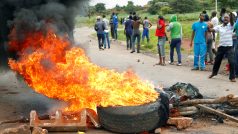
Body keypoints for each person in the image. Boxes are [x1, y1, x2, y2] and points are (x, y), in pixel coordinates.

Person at [209, 13, 236, 82]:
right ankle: (214, 73)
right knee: (217, 61)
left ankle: (232, 77)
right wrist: (208, 26)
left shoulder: (231, 25)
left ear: (229, 19)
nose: (226, 18)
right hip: (221, 47)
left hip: (229, 47)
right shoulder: (219, 26)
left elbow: (233, 22)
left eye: (227, 17)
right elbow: (212, 30)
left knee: (232, 62)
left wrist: (231, 16)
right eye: (225, 17)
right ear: (222, 19)